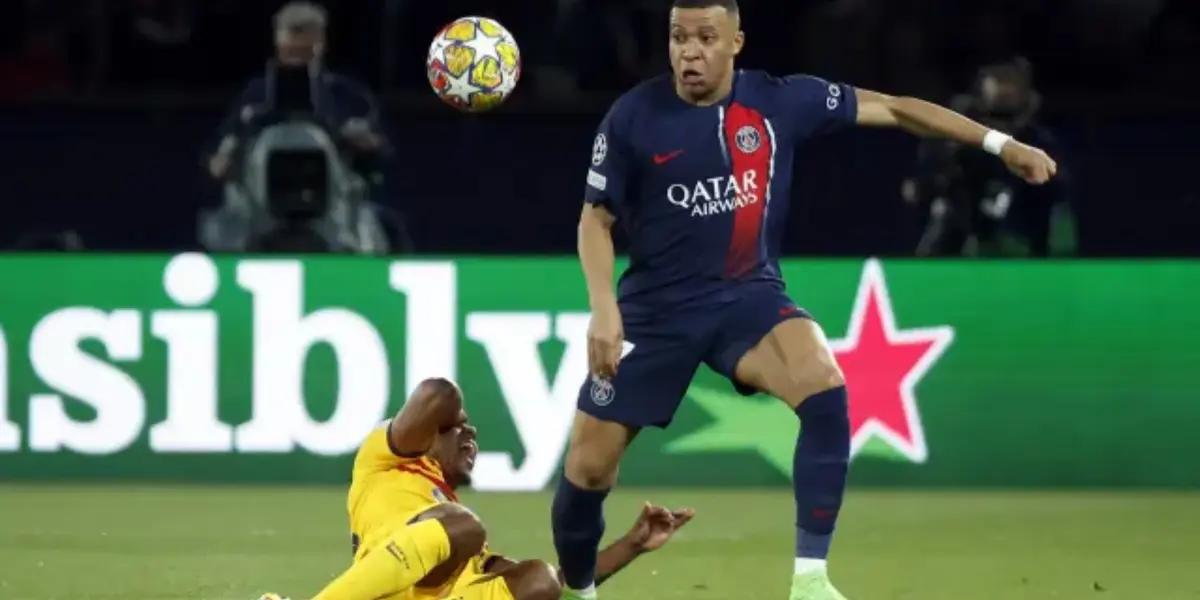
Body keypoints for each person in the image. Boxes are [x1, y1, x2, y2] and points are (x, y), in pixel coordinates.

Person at [551, 1, 1057, 599]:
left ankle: (810, 582)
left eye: (706, 37)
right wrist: (604, 308)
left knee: (823, 384)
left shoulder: (779, 102)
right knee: (588, 471)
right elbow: (595, 219)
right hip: (656, 312)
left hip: (747, 297)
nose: (690, 51)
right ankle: (582, 591)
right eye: (678, 37)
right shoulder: (633, 117)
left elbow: (896, 109)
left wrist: (1001, 145)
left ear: (736, 41)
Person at [260, 378, 693, 600]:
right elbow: (437, 394)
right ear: (429, 435)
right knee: (463, 528)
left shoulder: (454, 518)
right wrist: (449, 412)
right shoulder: (385, 461)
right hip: (388, 588)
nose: (471, 434)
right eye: (458, 430)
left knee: (539, 580)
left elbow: (560, 583)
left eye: (472, 432)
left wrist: (632, 545)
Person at [904, 58, 1072, 257]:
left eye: (1011, 80)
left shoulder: (1038, 141)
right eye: (999, 79)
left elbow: (1058, 186)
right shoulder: (955, 138)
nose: (1005, 88)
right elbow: (921, 187)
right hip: (961, 231)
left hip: (1019, 234)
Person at [206, 1, 387, 182]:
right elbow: (223, 142)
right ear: (277, 46)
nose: (297, 62)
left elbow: (381, 150)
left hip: (337, 195)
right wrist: (220, 161)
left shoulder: (349, 94)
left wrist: (368, 144)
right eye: (290, 52)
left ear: (321, 44)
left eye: (305, 52)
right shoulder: (254, 94)